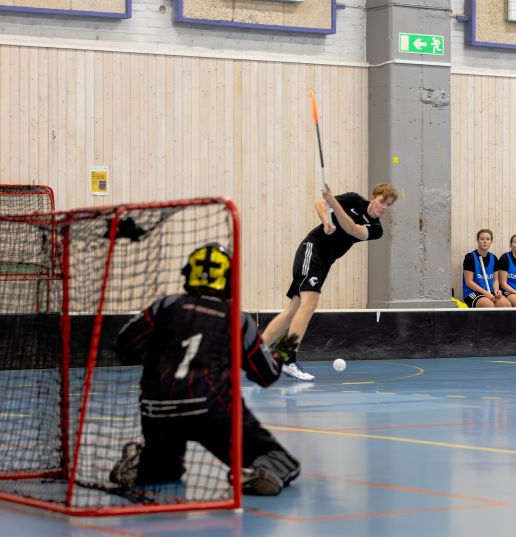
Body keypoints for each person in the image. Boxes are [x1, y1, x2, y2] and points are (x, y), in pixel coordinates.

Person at [111, 243, 301, 496]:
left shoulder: (166, 306)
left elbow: (124, 349)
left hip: (158, 412)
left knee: (163, 472)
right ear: (229, 280)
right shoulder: (236, 319)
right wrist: (283, 353)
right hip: (211, 413)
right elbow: (265, 376)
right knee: (283, 462)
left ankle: (140, 465)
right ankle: (253, 471)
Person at [262, 183, 399, 381]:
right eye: (382, 202)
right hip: (313, 248)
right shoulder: (354, 199)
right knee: (309, 303)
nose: (384, 207)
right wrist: (326, 220)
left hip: (326, 261)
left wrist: (334, 204)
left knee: (295, 307)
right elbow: (320, 203)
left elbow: (352, 229)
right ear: (373, 197)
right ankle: (287, 357)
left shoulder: (376, 229)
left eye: (389, 205)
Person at [461, 229, 510, 308]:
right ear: (477, 240)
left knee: (505, 305)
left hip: (490, 291)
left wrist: (496, 290)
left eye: (488, 239)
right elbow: (469, 282)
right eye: (482, 239)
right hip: (473, 292)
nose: (485, 241)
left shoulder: (494, 258)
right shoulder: (470, 258)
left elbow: (495, 280)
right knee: (488, 305)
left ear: (491, 241)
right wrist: (486, 293)